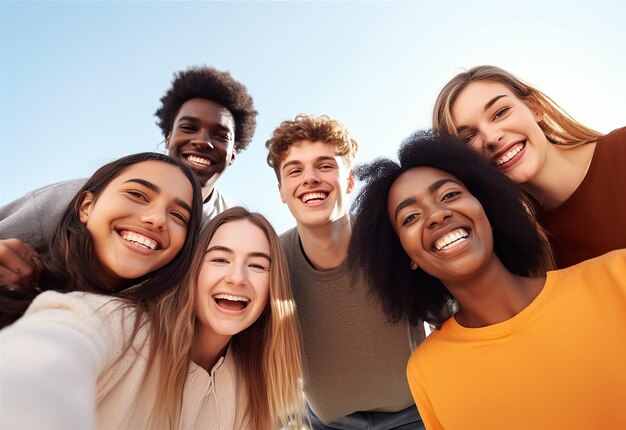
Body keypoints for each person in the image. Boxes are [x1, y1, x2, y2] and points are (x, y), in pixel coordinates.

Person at [349, 131, 626, 430]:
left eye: (450, 195)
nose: (437, 215)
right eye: (410, 217)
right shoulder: (427, 371)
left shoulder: (616, 275)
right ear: (406, 256)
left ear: (487, 209)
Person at [1, 170, 306, 429]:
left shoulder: (249, 390)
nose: (237, 278)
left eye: (257, 265)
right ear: (192, 270)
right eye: (219, 259)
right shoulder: (116, 324)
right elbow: (41, 362)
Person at [0, 65, 257, 288]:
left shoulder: (232, 226)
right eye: (188, 127)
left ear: (233, 153)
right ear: (168, 138)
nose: (202, 142)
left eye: (221, 135)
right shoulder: (94, 195)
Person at [265, 114, 425, 429]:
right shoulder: (271, 261)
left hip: (415, 413)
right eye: (295, 170)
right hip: (330, 423)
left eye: (325, 166)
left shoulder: (392, 238)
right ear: (282, 191)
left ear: (349, 181)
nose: (309, 178)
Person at [431, 65, 626, 268]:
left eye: (500, 113)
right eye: (469, 137)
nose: (491, 138)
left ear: (535, 107)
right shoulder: (532, 255)